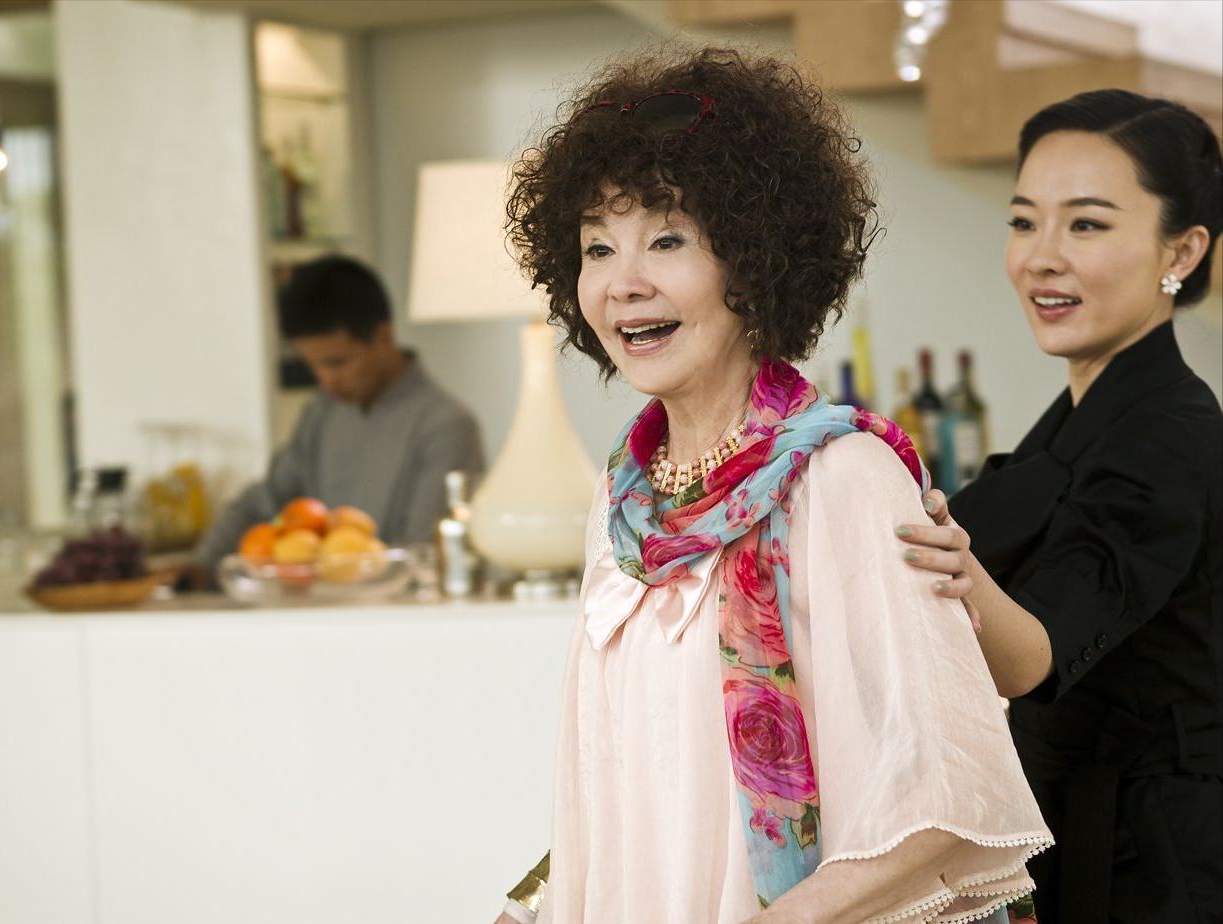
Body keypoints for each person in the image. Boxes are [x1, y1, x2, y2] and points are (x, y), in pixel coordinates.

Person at [496, 47, 1051, 924]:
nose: (624, 282)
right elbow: (647, 780)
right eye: (597, 246)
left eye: (669, 240)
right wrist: (541, 903)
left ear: (752, 263)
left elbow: (951, 789)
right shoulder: (624, 506)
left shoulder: (844, 478)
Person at [897, 89, 1223, 923]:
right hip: (1066, 831)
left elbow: (1031, 655)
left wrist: (957, 571)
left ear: (1180, 250)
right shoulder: (1080, 417)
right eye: (1022, 222)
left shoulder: (1169, 433)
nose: (1040, 257)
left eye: (1085, 224)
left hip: (1156, 864)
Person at [188, 255, 484, 582]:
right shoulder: (320, 413)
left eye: (337, 362)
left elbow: (425, 557)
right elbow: (266, 501)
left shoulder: (445, 425)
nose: (325, 380)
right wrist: (201, 564)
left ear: (383, 336)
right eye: (313, 365)